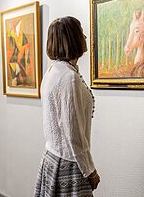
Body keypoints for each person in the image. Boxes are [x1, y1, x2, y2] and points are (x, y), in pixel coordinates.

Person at [34, 16, 100, 197]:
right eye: (81, 33)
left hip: (52, 157)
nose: (85, 37)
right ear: (72, 39)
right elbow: (73, 133)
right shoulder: (68, 77)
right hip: (69, 163)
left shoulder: (52, 72)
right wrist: (90, 170)